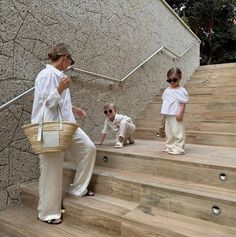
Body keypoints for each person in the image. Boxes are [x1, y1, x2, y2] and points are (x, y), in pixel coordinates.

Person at [31, 43, 96, 224]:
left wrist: (75, 109)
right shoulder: (45, 75)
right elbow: (47, 104)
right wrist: (60, 88)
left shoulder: (60, 76)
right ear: (65, 57)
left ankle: (78, 188)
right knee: (51, 168)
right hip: (50, 127)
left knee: (88, 149)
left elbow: (58, 103)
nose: (70, 64)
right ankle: (47, 212)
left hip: (67, 124)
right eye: (70, 60)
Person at [160, 67, 188, 155]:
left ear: (180, 78)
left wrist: (180, 113)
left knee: (178, 131)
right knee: (169, 131)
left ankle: (179, 148)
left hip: (175, 114)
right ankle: (170, 145)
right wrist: (164, 114)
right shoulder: (167, 90)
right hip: (168, 114)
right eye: (169, 80)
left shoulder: (181, 90)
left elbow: (183, 103)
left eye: (174, 80)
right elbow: (165, 100)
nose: (172, 82)